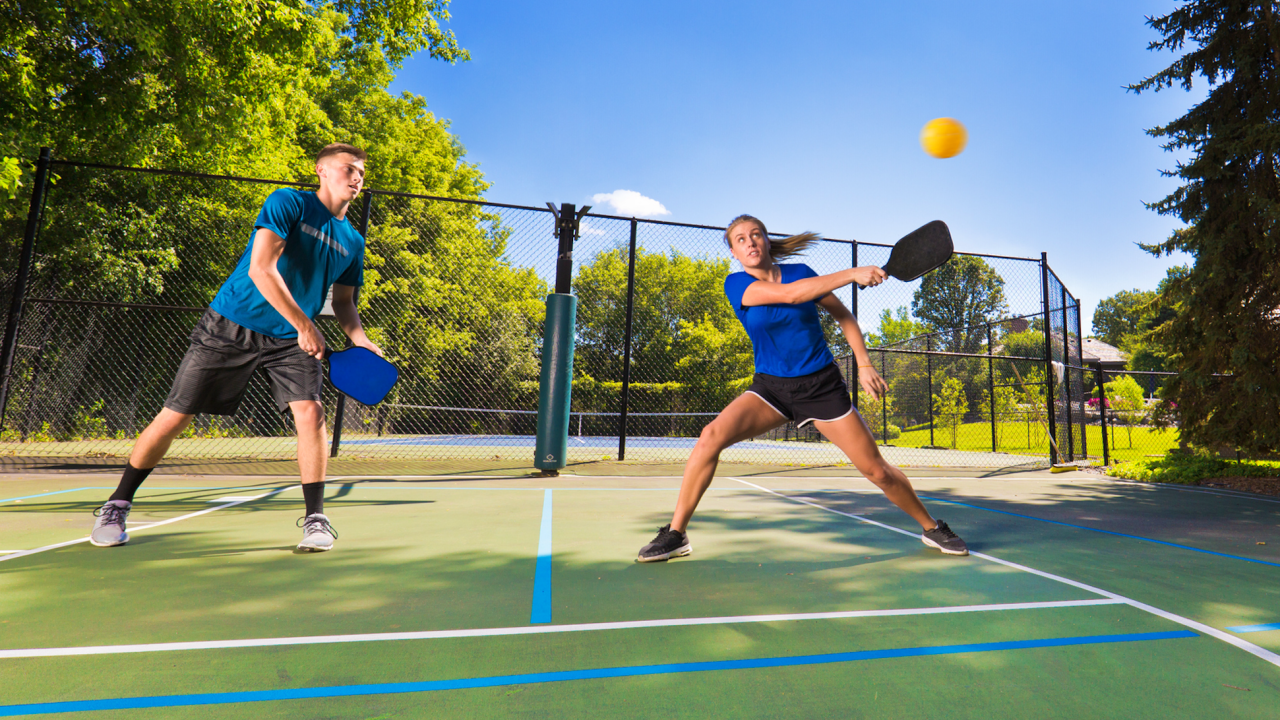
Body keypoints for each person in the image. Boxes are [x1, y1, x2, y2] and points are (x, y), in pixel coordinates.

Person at [89, 143, 382, 553]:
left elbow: (345, 302)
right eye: (349, 168)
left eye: (361, 172)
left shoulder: (352, 240)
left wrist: (360, 339)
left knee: (311, 414)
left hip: (290, 341)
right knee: (176, 416)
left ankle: (316, 519)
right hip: (232, 324)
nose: (357, 177)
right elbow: (261, 269)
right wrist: (305, 324)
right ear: (321, 170)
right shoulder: (289, 203)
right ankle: (117, 505)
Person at [636, 215, 968, 562]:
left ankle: (932, 528)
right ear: (734, 252)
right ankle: (676, 534)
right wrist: (853, 273)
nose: (750, 242)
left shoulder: (802, 273)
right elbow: (791, 296)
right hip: (771, 389)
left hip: (821, 387)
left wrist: (865, 364)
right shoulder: (736, 284)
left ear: (766, 241)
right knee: (710, 437)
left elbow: (843, 316)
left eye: (755, 235)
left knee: (876, 470)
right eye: (740, 239)